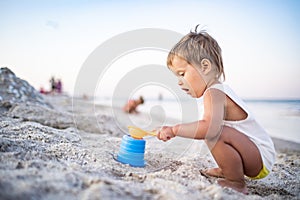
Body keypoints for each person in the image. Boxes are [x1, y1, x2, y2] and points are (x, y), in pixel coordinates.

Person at [155, 25, 276, 194]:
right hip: (253, 154)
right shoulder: (216, 90)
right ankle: (228, 169)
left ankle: (236, 181)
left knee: (214, 131)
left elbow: (208, 128)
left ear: (205, 66)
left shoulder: (214, 93)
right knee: (215, 131)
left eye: (182, 74)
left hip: (258, 157)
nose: (179, 82)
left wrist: (175, 130)